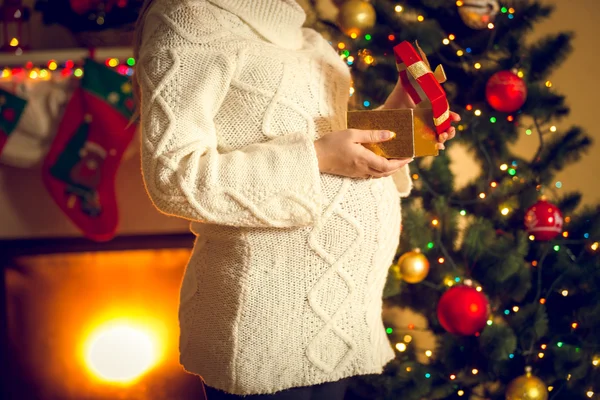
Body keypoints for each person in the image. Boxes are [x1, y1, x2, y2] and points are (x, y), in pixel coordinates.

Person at [132, 0, 459, 399]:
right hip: (264, 322)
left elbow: (331, 142)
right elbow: (175, 175)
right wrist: (318, 156)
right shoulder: (188, 18)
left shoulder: (310, 36)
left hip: (346, 308)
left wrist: (397, 115)